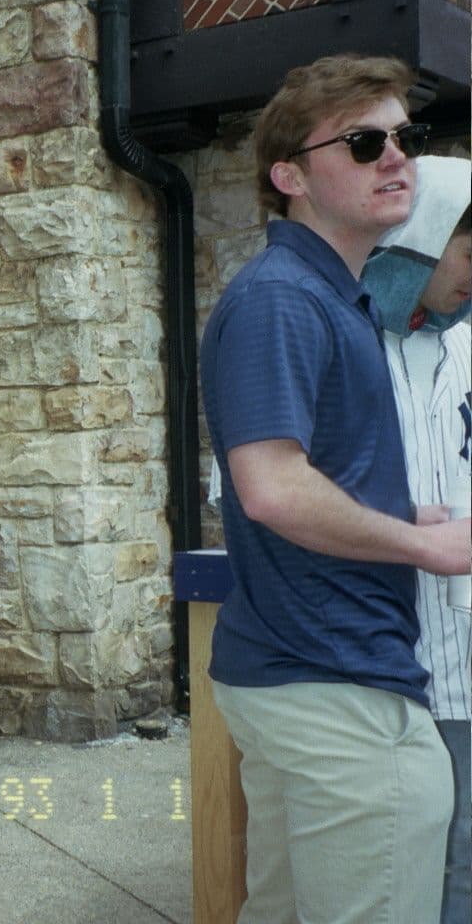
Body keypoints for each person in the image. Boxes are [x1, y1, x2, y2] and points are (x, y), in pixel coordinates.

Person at [199, 53, 472, 923]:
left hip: (301, 675)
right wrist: (423, 543)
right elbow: (272, 489)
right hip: (338, 685)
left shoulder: (330, 297)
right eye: (363, 142)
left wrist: (403, 510)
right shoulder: (285, 299)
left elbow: (310, 480)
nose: (396, 157)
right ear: (291, 177)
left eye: (405, 137)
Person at [361, 154, 472, 924]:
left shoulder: (467, 347)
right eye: (468, 250)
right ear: (426, 236)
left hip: (466, 651)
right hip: (381, 669)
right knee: (393, 865)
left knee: (465, 857)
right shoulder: (345, 346)